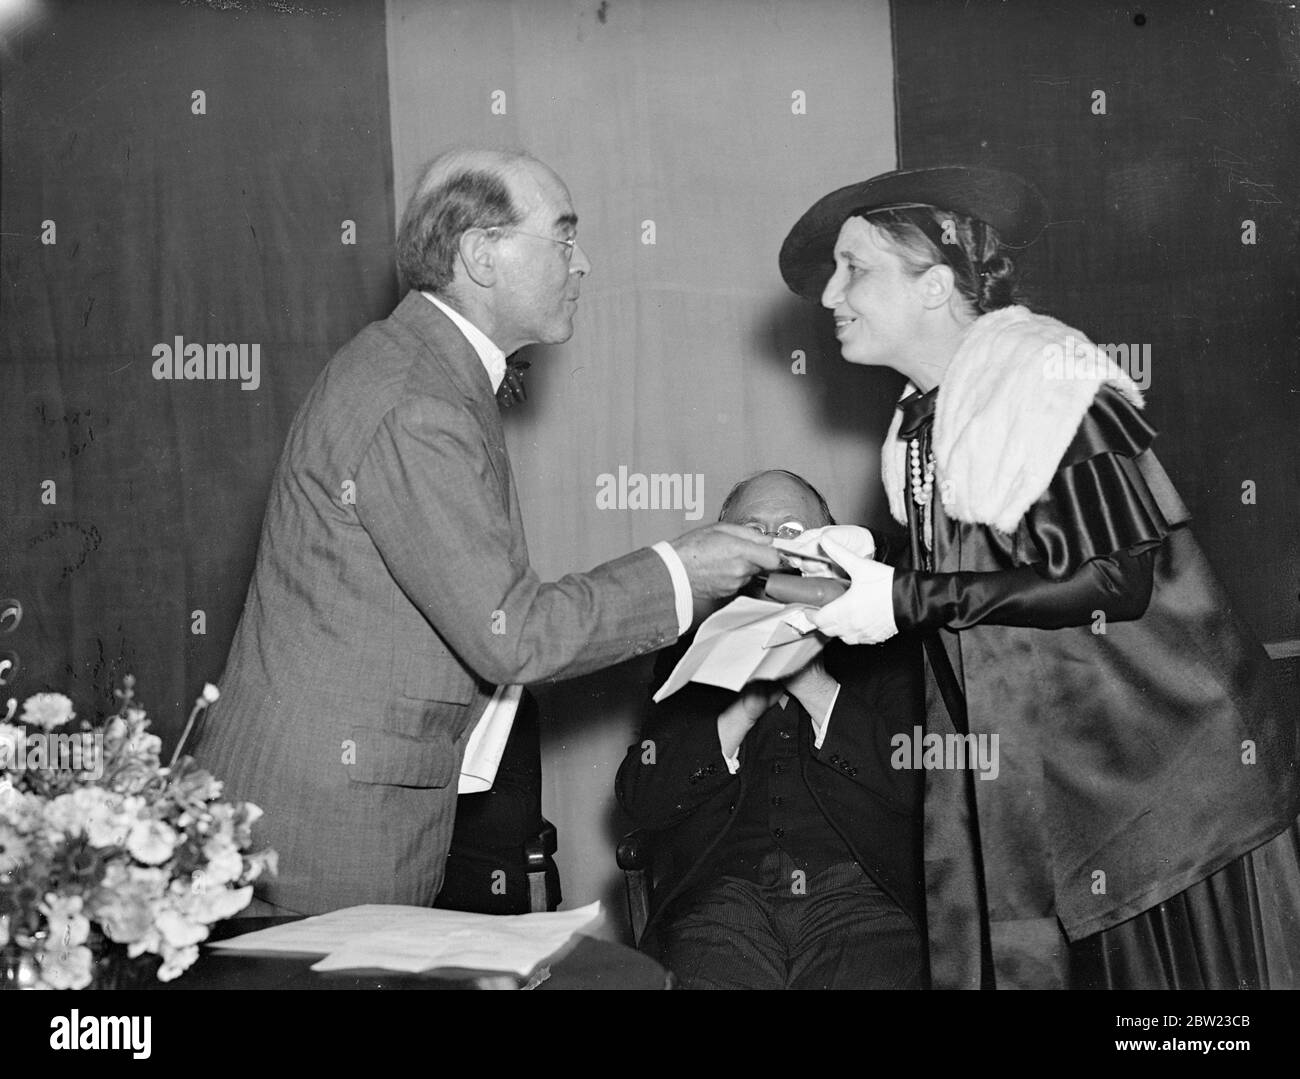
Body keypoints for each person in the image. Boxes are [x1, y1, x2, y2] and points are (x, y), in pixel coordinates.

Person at [191, 148, 782, 915]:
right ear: (480, 254)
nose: (585, 263)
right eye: (564, 240)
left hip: (332, 808)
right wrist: (684, 571)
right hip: (322, 830)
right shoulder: (417, 399)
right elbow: (512, 632)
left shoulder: (422, 369)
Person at [776, 165, 1300, 989]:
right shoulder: (930, 414)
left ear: (937, 285)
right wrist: (872, 573)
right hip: (1058, 791)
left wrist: (906, 596)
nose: (830, 294)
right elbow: (992, 591)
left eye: (856, 269)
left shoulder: (1049, 382)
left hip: (1161, 793)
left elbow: (1115, 580)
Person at [617, 469, 925, 989]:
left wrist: (812, 681)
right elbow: (643, 797)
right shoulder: (686, 651)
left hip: (861, 900)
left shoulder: (887, 643)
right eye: (754, 531)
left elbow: (919, 787)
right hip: (720, 902)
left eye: (790, 531)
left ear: (830, 544)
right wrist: (747, 700)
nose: (774, 547)